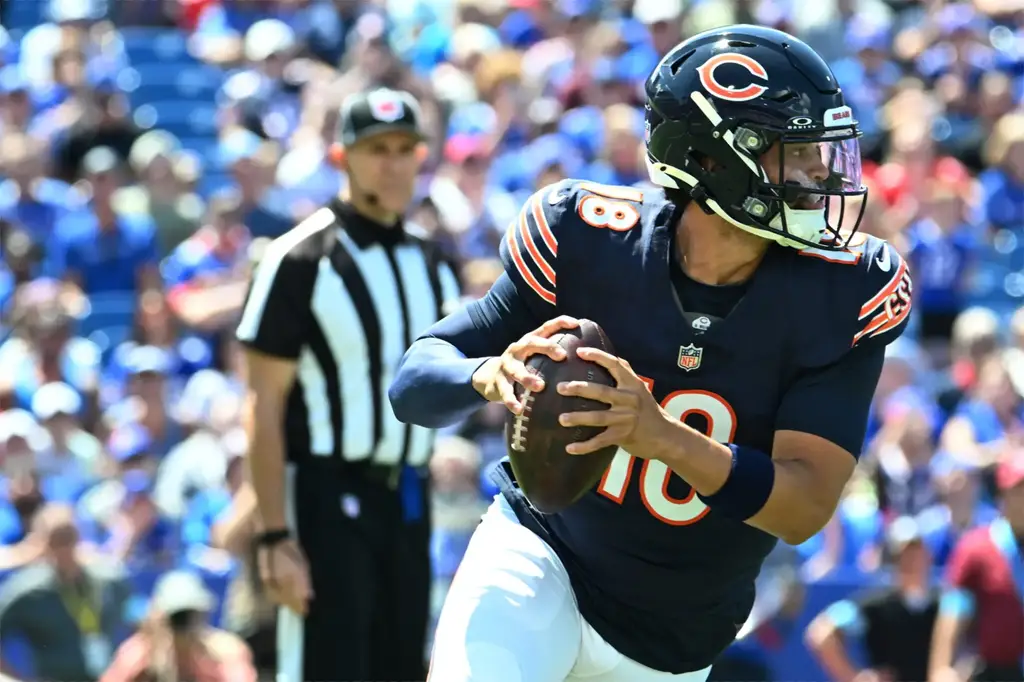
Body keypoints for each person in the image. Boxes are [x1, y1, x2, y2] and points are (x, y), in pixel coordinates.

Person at [389, 25, 913, 682]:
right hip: (543, 559)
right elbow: (413, 379)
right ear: (715, 161)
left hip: (676, 636)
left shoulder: (844, 292)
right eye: (795, 155)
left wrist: (660, 437)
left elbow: (803, 506)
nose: (819, 176)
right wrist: (488, 373)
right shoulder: (587, 238)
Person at [235, 87, 461, 682]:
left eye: (403, 148)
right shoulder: (301, 257)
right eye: (375, 149)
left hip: (409, 500)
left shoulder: (432, 261)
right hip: (325, 498)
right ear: (342, 157)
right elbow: (263, 406)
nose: (391, 163)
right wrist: (275, 536)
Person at [805, 516, 940, 682]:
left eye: (917, 554)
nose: (913, 562)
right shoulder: (875, 606)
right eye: (904, 555)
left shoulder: (943, 604)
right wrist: (855, 677)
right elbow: (821, 633)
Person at [928, 454, 1024, 682]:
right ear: (1002, 495)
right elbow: (954, 612)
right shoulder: (976, 548)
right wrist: (941, 670)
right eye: (1020, 491)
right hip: (994, 673)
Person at [101, 570, 257, 682]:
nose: (184, 625)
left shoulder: (224, 651)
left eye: (190, 615)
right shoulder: (139, 653)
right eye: (177, 617)